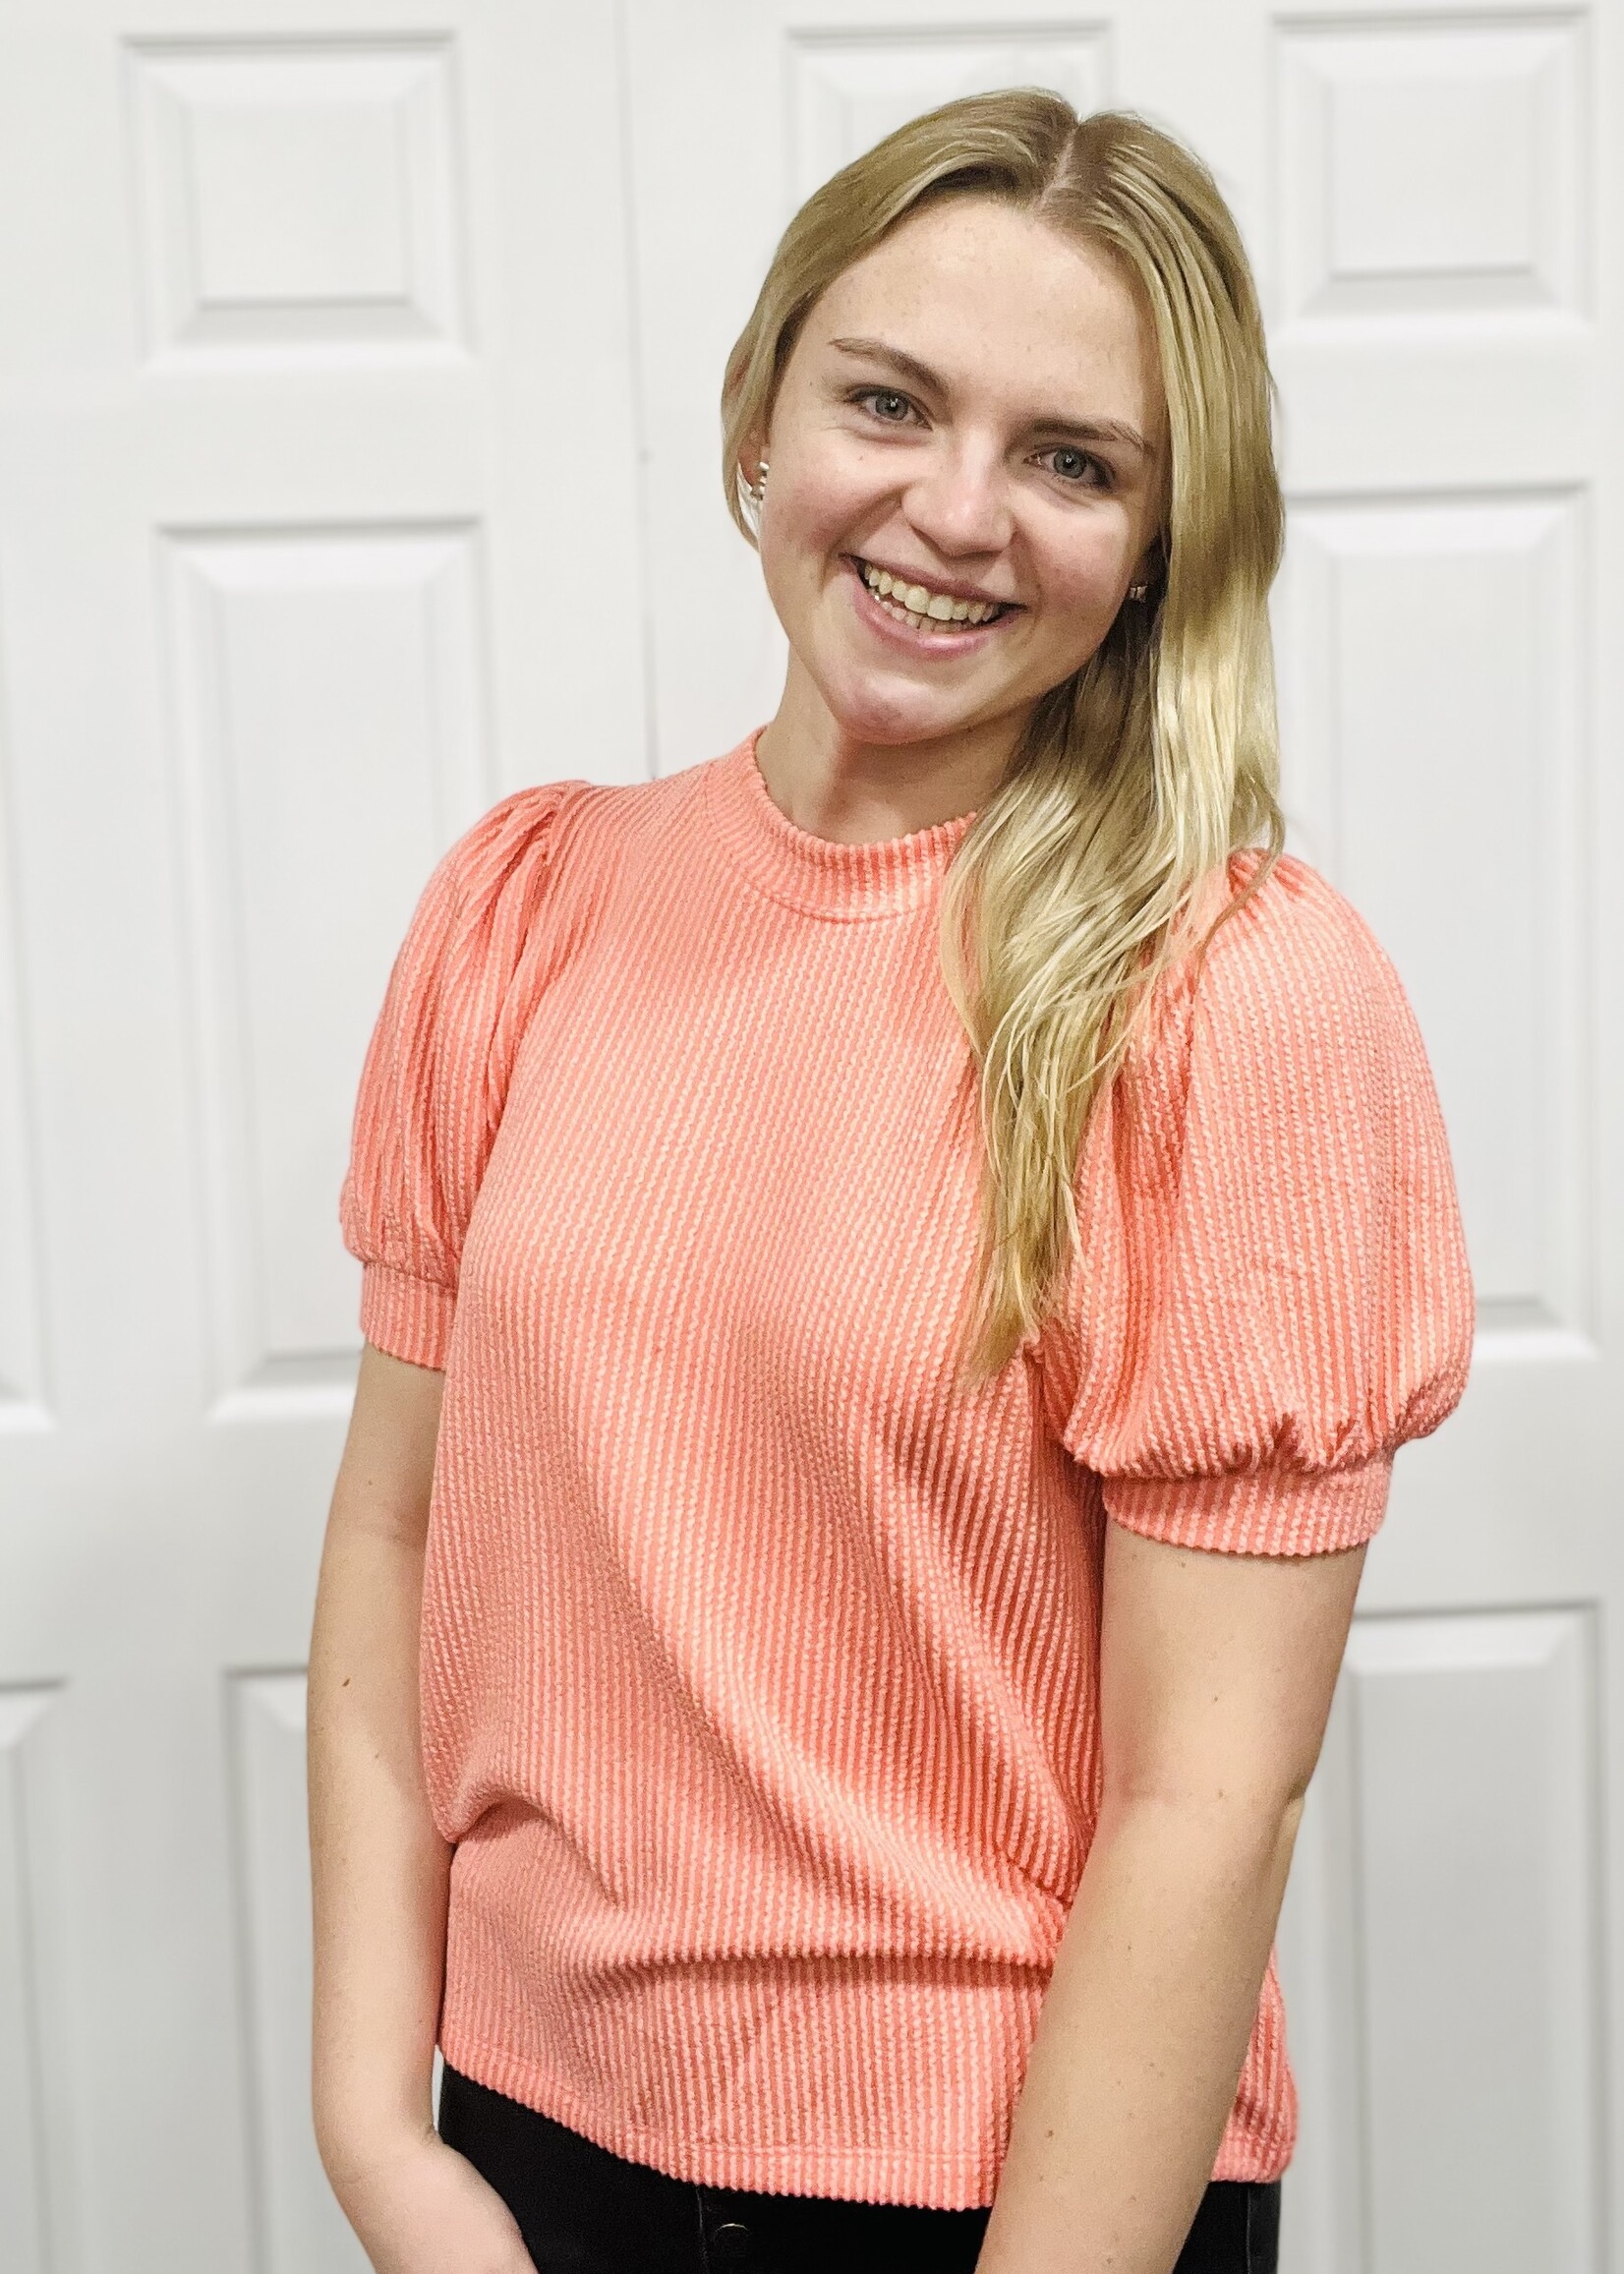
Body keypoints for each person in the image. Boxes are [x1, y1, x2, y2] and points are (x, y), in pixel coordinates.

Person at [306, 91, 1474, 2274]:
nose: (955, 510)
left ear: (1155, 541)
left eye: (1071, 458)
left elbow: (1201, 1808)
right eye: (888, 399)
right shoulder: (525, 905)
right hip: (524, 2137)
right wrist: (382, 2131)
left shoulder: (1230, 1002)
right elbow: (395, 1530)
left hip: (994, 2201)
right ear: (762, 412)